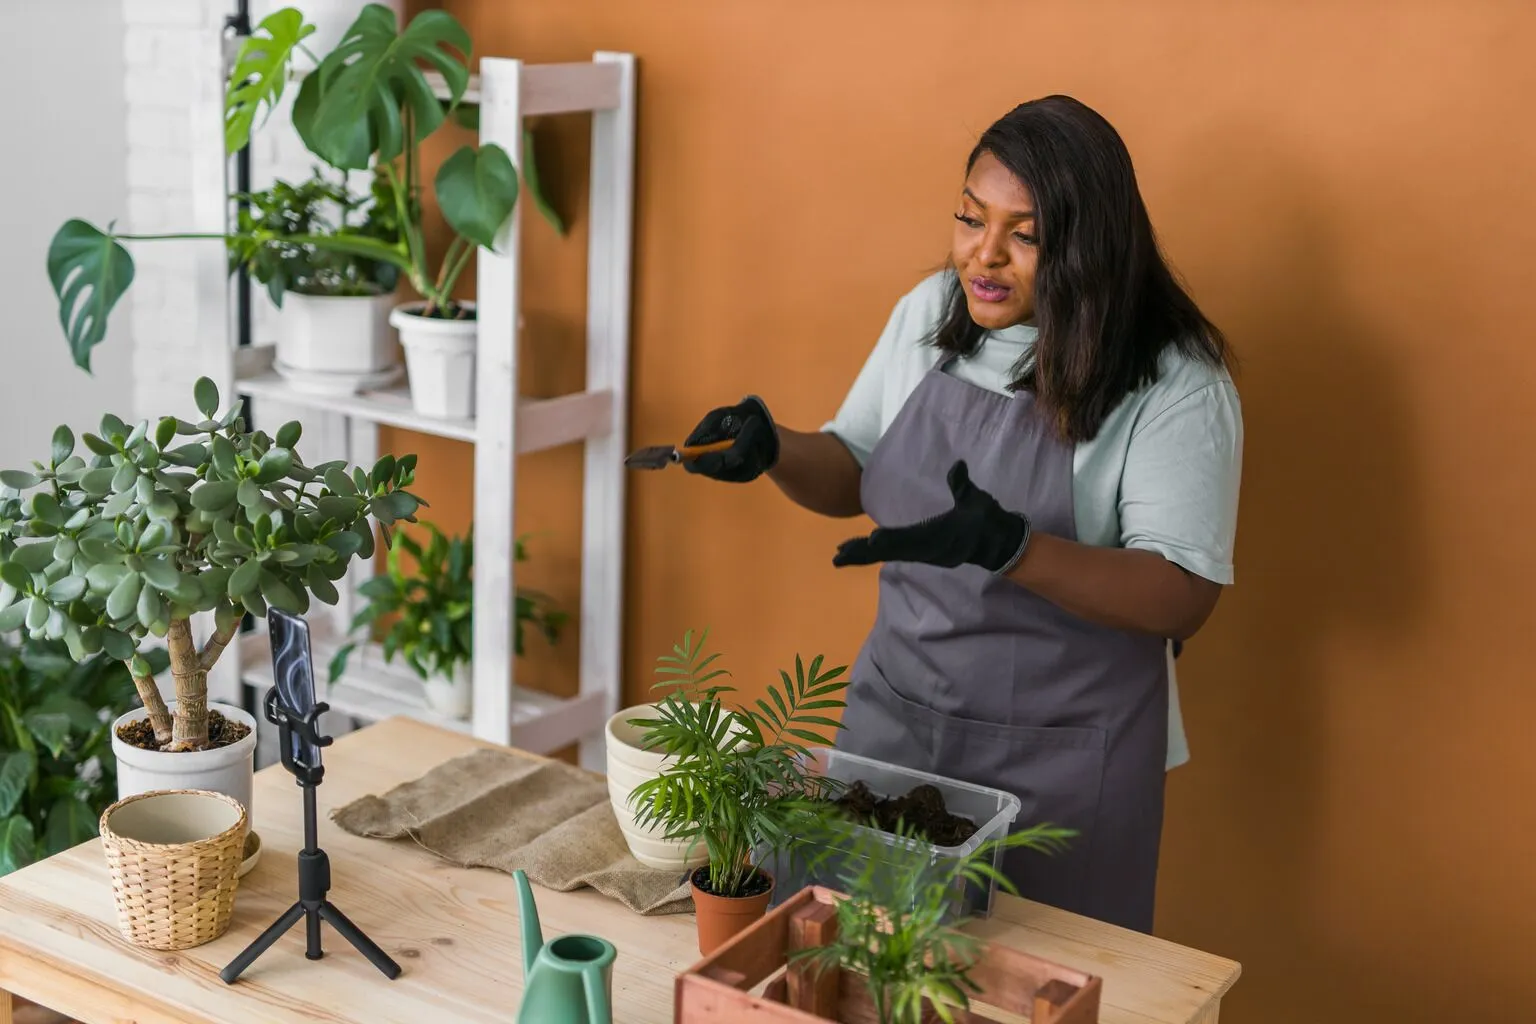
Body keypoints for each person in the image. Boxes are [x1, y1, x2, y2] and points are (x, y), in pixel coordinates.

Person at [678, 95, 1242, 934]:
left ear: (1091, 244)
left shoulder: (1176, 385)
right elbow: (856, 468)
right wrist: (775, 450)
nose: (985, 255)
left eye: (1026, 234)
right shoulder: (930, 314)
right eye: (970, 219)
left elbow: (1183, 591)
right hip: (894, 734)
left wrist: (1015, 549)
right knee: (854, 968)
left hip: (1063, 763)